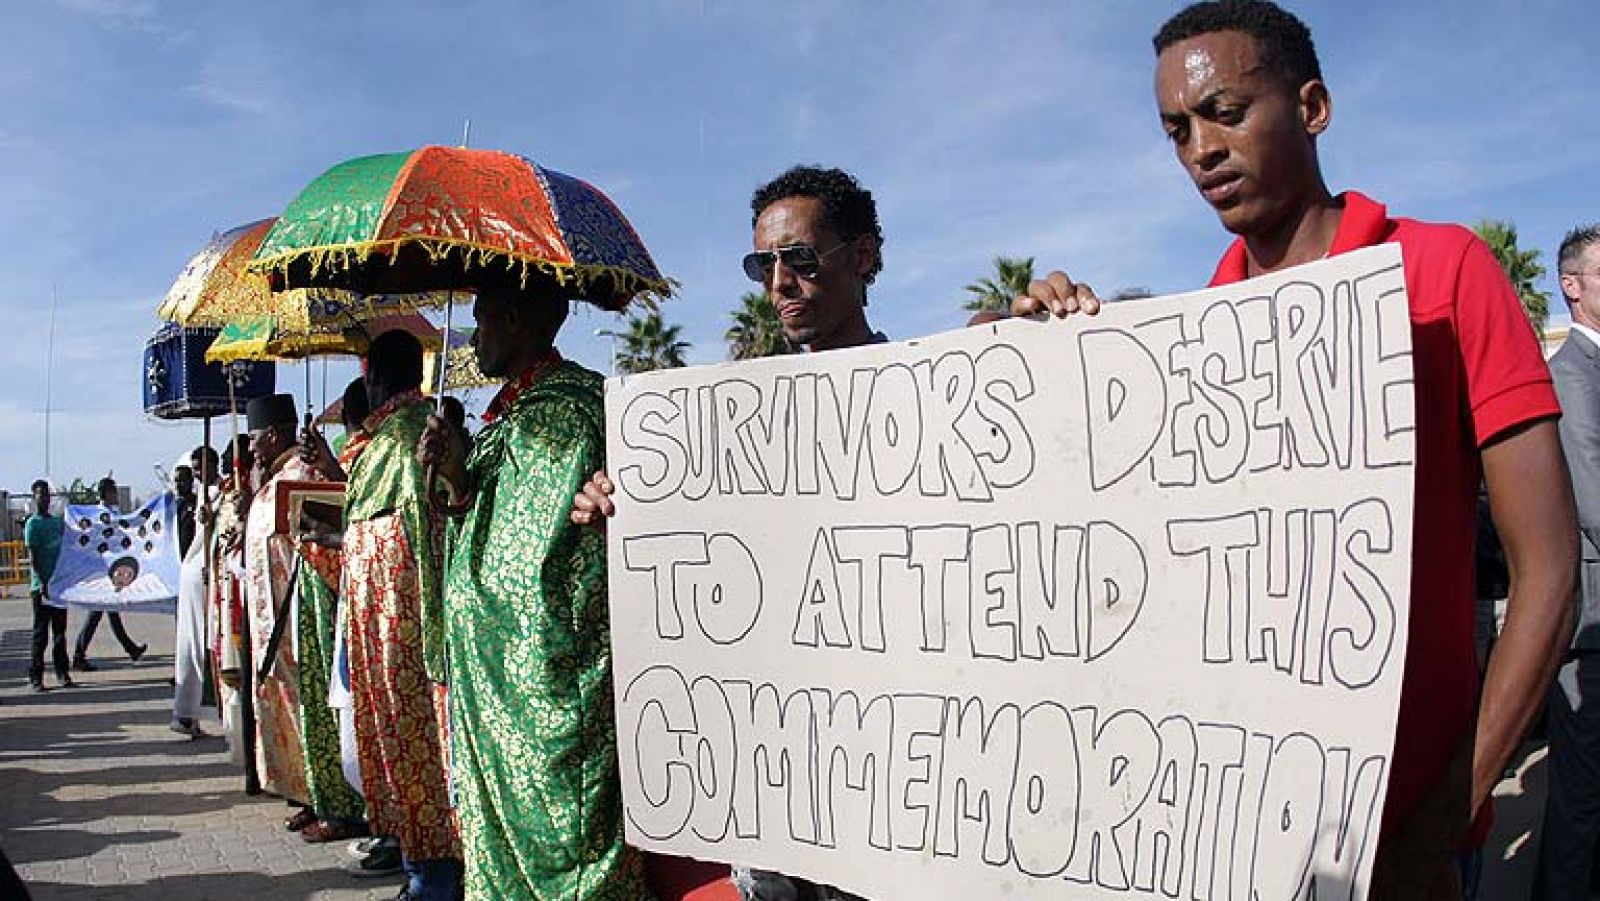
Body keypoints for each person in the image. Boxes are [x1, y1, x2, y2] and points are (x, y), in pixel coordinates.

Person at [1011, 3, 1576, 896]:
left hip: (1406, 837)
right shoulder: (1188, 331)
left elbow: (1547, 568)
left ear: (1312, 106)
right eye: (1177, 130)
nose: (1201, 149)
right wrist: (1044, 364)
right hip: (1235, 831)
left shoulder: (1444, 271)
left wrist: (1434, 827)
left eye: (1226, 112)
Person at [571, 164, 886, 901]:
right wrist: (619, 508)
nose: (780, 282)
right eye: (763, 264)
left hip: (885, 772)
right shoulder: (728, 430)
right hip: (775, 778)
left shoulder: (930, 395)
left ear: (864, 256)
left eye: (801, 258)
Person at [418, 282, 651, 901]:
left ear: (516, 319)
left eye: (483, 319)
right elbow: (488, 524)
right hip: (493, 679)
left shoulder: (564, 412)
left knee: (560, 844)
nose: (474, 337)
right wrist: (457, 474)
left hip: (537, 680)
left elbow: (536, 561)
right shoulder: (514, 411)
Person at [339, 331, 461, 898]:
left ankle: (434, 880)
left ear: (374, 379)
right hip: (392, 641)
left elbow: (428, 541)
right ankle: (421, 871)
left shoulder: (407, 443)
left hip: (411, 644)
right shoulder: (382, 443)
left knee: (423, 763)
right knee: (409, 762)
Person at [1535, 223, 1600, 900]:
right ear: (1572, 287)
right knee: (1580, 805)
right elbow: (1593, 499)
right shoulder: (1573, 375)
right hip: (1590, 634)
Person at [239, 394, 315, 813]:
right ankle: (295, 787)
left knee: (304, 704)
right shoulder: (269, 481)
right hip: (267, 621)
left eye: (254, 438)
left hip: (295, 616)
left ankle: (315, 792)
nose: (250, 448)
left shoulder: (301, 474)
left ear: (273, 434)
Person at [72, 476, 147, 670]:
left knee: (109, 613)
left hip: (113, 571)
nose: (116, 495)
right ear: (107, 494)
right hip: (103, 571)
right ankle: (79, 655)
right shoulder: (99, 515)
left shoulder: (113, 513)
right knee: (98, 614)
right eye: (113, 492)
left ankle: (130, 649)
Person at [172, 447, 218, 738]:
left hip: (207, 577)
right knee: (192, 646)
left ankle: (194, 713)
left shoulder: (219, 493)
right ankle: (186, 713)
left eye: (200, 468)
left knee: (206, 646)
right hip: (193, 576)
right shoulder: (202, 498)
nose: (197, 474)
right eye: (194, 469)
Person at [24, 479, 73, 693]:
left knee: (60, 634)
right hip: (41, 587)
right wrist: (43, 582)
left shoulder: (56, 523)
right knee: (40, 634)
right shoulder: (33, 524)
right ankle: (36, 676)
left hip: (59, 588)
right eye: (40, 495)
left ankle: (63, 673)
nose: (44, 498)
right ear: (34, 498)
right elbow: (33, 557)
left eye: (46, 495)